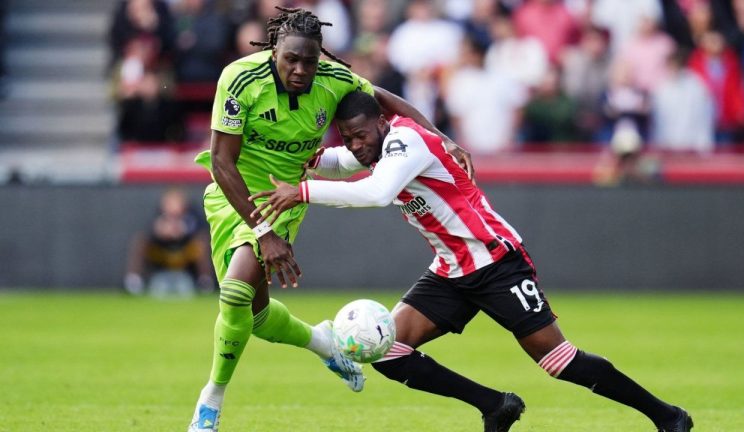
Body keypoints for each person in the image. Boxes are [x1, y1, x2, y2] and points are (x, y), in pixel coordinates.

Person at [251, 91, 694, 432]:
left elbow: (376, 192)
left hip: (496, 261)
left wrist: (302, 190)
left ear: (382, 122)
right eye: (348, 137)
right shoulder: (376, 145)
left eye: (361, 135)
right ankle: (494, 405)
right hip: (451, 270)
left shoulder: (406, 139)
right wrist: (300, 155)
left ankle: (669, 417)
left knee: (557, 360)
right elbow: (340, 161)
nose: (356, 145)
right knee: (387, 352)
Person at [187, 7, 474, 431]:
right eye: (291, 59)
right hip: (232, 191)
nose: (301, 69)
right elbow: (221, 162)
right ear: (274, 52)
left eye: (310, 60)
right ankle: (323, 341)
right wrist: (262, 233)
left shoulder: (334, 79)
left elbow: (385, 101)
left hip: (281, 196)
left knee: (234, 292)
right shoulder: (240, 78)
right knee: (257, 316)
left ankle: (210, 400)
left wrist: (443, 139)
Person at [124, 187, 213, 297]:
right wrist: (160, 232)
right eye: (169, 202)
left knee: (201, 243)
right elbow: (149, 232)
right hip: (163, 256)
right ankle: (134, 281)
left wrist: (182, 231)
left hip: (184, 256)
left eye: (176, 202)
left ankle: (204, 282)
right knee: (140, 241)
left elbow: (201, 230)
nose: (173, 206)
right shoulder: (159, 216)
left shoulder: (192, 216)